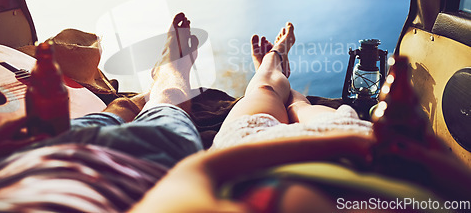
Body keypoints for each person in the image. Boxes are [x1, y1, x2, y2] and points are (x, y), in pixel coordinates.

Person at [131, 22, 471, 213]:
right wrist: (411, 154)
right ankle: (281, 72)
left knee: (264, 92)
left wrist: (356, 142)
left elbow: (194, 172)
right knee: (301, 105)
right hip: (359, 147)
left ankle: (273, 63)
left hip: (257, 152)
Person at [0, 12, 205, 212]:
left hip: (23, 157)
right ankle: (169, 72)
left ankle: (152, 91)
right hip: (135, 167)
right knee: (172, 98)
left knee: (119, 107)